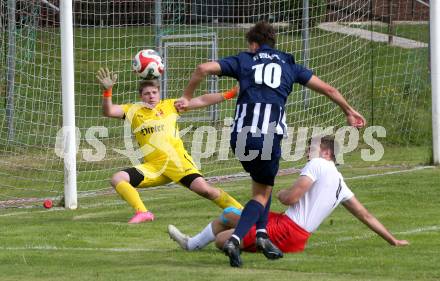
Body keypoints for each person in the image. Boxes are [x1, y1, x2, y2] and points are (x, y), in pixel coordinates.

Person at [176, 21, 367, 267]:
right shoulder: (289, 65)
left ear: (254, 44)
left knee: (261, 187)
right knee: (262, 193)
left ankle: (263, 235)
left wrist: (186, 97)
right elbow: (329, 89)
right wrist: (349, 111)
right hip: (268, 136)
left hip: (239, 136)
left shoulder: (246, 59)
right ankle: (236, 238)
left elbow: (202, 68)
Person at [167, 136, 409, 267]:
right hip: (296, 234)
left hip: (286, 230)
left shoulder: (317, 164)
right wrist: (393, 240)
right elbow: (365, 215)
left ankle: (203, 244)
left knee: (223, 239)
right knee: (230, 213)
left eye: (311, 148)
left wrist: (281, 193)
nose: (307, 152)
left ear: (326, 153)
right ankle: (191, 244)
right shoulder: (341, 182)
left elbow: (290, 198)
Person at [96, 68, 243, 224]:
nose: (151, 96)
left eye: (154, 92)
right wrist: (108, 92)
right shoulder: (133, 110)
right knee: (118, 178)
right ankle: (143, 212)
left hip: (177, 162)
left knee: (205, 190)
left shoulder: (170, 105)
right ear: (141, 96)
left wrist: (231, 93)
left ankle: (242, 212)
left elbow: (201, 100)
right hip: (155, 167)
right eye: (147, 93)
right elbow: (109, 111)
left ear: (159, 93)